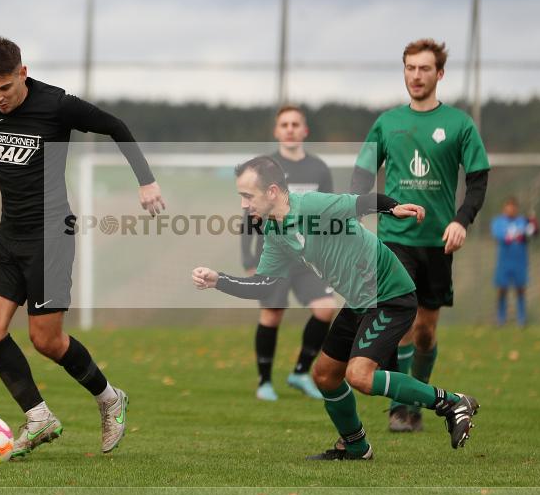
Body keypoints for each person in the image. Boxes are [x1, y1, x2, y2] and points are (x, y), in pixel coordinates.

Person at [0, 37, 165, 458]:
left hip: (51, 237)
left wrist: (146, 181)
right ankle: (38, 417)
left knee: (46, 341)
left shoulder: (56, 105)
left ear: (23, 73)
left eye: (5, 88)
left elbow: (115, 126)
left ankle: (110, 398)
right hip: (9, 236)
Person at [192, 156, 480, 460]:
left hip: (389, 296)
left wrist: (393, 207)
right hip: (359, 302)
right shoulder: (274, 232)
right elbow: (265, 284)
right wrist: (218, 280)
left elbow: (360, 203)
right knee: (325, 375)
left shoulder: (312, 206)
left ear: (272, 191)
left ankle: (452, 402)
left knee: (360, 376)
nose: (243, 204)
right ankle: (356, 447)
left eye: (248, 196)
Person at [351, 38, 489, 433]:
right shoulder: (387, 123)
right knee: (404, 324)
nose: (416, 75)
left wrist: (461, 220)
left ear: (439, 73)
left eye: (424, 68)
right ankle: (401, 407)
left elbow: (478, 180)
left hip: (437, 244)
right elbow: (361, 177)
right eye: (410, 68)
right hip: (395, 240)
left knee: (426, 332)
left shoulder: (459, 124)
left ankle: (420, 398)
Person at [241, 105, 337, 401]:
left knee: (325, 308)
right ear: (277, 131)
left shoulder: (319, 169)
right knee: (272, 315)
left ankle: (300, 372)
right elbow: (248, 215)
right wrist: (248, 259)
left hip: (309, 257)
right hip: (274, 257)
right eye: (284, 124)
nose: (290, 129)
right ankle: (264, 383)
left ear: (305, 130)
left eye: (295, 124)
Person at [490, 197, 539, 326]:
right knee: (502, 289)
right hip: (504, 262)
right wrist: (518, 235)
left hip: (520, 262)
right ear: (504, 208)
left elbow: (534, 233)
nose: (511, 210)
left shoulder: (522, 221)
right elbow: (500, 236)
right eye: (508, 207)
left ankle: (521, 319)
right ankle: (501, 319)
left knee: (520, 289)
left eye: (513, 207)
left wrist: (533, 222)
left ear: (516, 209)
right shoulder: (498, 222)